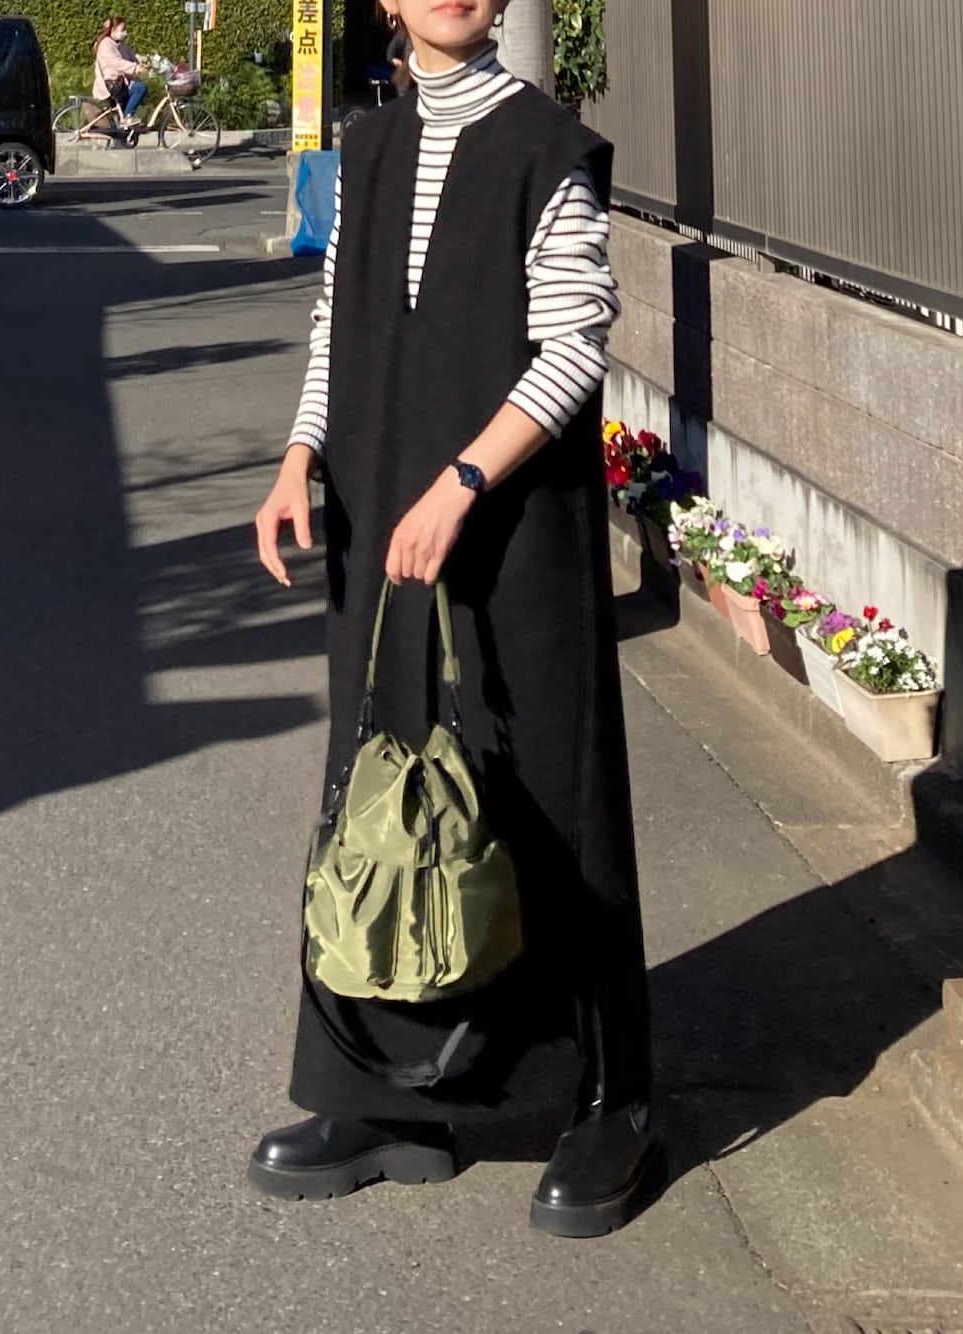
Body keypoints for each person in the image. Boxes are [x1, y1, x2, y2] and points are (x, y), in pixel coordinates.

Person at [251, 0, 663, 1240]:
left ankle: (607, 1098)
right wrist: (298, 452)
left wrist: (466, 480)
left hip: (511, 535)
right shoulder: (370, 145)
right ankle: (389, 1095)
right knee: (380, 790)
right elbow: (337, 320)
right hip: (376, 516)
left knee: (542, 790)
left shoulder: (545, 147)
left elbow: (575, 342)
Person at [93, 16, 148, 127]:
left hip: (120, 82)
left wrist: (146, 60)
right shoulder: (105, 45)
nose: (124, 32)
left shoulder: (119, 44)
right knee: (140, 88)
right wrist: (136, 68)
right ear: (113, 30)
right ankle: (127, 117)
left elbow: (132, 55)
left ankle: (124, 125)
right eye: (122, 30)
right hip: (112, 83)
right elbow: (117, 62)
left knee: (134, 91)